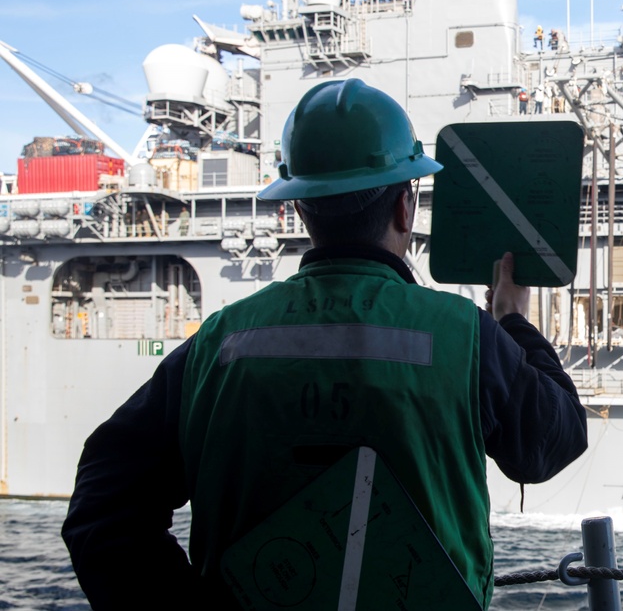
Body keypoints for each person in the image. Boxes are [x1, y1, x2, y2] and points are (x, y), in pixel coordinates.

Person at [62, 79, 588, 609]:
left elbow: (103, 507)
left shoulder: (218, 344)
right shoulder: (465, 335)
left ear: (298, 208)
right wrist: (512, 322)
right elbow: (552, 443)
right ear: (405, 207)